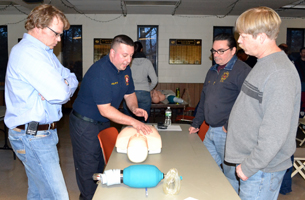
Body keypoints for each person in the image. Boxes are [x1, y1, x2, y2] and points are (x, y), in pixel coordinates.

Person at [224, 7, 301, 200]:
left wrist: (249, 166)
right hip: (255, 166)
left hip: (261, 170)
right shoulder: (263, 63)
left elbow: (275, 132)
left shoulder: (279, 72)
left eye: (243, 36)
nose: (239, 41)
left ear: (261, 37)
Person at [4, 4, 78, 199]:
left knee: (37, 192)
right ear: (38, 25)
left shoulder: (45, 53)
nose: (59, 39)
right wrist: (62, 86)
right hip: (33, 137)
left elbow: (71, 78)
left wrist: (62, 85)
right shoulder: (28, 53)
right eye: (56, 33)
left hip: (42, 133)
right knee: (57, 196)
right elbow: (61, 93)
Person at [69, 34, 153, 200]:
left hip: (102, 123)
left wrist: (135, 108)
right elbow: (106, 110)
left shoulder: (124, 68)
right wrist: (133, 122)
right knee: (88, 169)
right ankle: (88, 197)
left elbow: (129, 94)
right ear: (112, 53)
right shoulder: (100, 71)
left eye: (131, 56)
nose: (128, 60)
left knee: (103, 165)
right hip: (84, 124)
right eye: (124, 55)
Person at [188, 33, 251, 169]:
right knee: (208, 166)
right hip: (210, 129)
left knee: (231, 174)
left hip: (227, 132)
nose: (216, 55)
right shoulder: (212, 71)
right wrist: (196, 122)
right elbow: (204, 99)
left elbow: (247, 104)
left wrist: (228, 126)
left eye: (221, 51)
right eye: (214, 51)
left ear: (233, 50)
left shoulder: (242, 71)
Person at [123, 41, 158, 122]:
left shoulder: (128, 62)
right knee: (143, 121)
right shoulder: (147, 62)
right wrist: (147, 89)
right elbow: (155, 80)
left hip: (130, 94)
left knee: (128, 122)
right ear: (141, 50)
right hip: (144, 94)